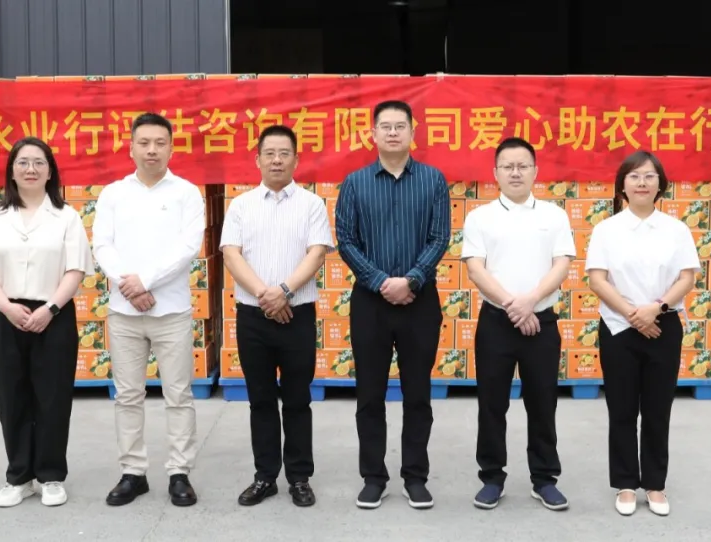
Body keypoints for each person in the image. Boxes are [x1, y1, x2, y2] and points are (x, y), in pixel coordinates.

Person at [335, 100, 451, 510]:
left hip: (420, 302)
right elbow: (346, 240)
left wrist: (412, 279)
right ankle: (374, 477)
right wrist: (382, 282)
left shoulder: (433, 180)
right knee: (370, 394)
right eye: (385, 126)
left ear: (413, 132)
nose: (393, 132)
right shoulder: (355, 183)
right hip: (371, 303)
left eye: (400, 126)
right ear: (373, 133)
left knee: (418, 393)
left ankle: (415, 477)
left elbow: (440, 236)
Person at [0, 136, 95, 508]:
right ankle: (19, 476)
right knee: (12, 396)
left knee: (53, 396)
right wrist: (7, 307)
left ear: (50, 171)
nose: (31, 169)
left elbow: (75, 269)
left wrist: (50, 309)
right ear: (11, 171)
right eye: (23, 162)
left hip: (53, 314)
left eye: (39, 162)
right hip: (6, 314)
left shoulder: (66, 216)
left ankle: (51, 475)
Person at [92, 113, 206, 508]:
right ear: (131, 147)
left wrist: (146, 281)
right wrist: (130, 285)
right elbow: (102, 245)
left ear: (171, 147)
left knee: (178, 395)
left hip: (171, 311)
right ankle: (133, 472)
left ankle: (179, 472)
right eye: (144, 143)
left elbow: (188, 247)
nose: (152, 150)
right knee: (127, 395)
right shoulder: (113, 194)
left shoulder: (186, 193)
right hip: (124, 312)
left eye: (160, 142)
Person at [220, 125, 334, 508]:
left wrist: (284, 291)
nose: (276, 160)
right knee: (261, 399)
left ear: (296, 160)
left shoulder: (311, 204)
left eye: (284, 153)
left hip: (297, 315)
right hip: (253, 317)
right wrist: (265, 295)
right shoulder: (241, 205)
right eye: (269, 153)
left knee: (298, 399)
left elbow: (317, 253)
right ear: (257, 159)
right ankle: (265, 476)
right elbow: (231, 254)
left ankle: (299, 477)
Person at [461, 137, 576, 512]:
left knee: (542, 402)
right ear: (495, 173)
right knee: (491, 404)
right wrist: (515, 306)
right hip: (496, 321)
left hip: (542, 321)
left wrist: (530, 302)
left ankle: (544, 479)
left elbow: (562, 264)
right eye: (507, 166)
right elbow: (475, 268)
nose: (515, 172)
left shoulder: (554, 215)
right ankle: (491, 478)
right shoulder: (480, 217)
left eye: (522, 166)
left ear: (535, 171)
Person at [584, 151, 699, 517]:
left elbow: (687, 277)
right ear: (622, 185)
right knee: (621, 409)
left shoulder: (676, 230)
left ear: (660, 184)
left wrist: (656, 309)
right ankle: (624, 484)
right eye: (634, 176)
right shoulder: (606, 230)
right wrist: (633, 314)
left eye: (649, 176)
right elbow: (597, 279)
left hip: (663, 326)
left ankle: (655, 484)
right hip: (619, 328)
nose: (642, 183)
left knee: (657, 409)